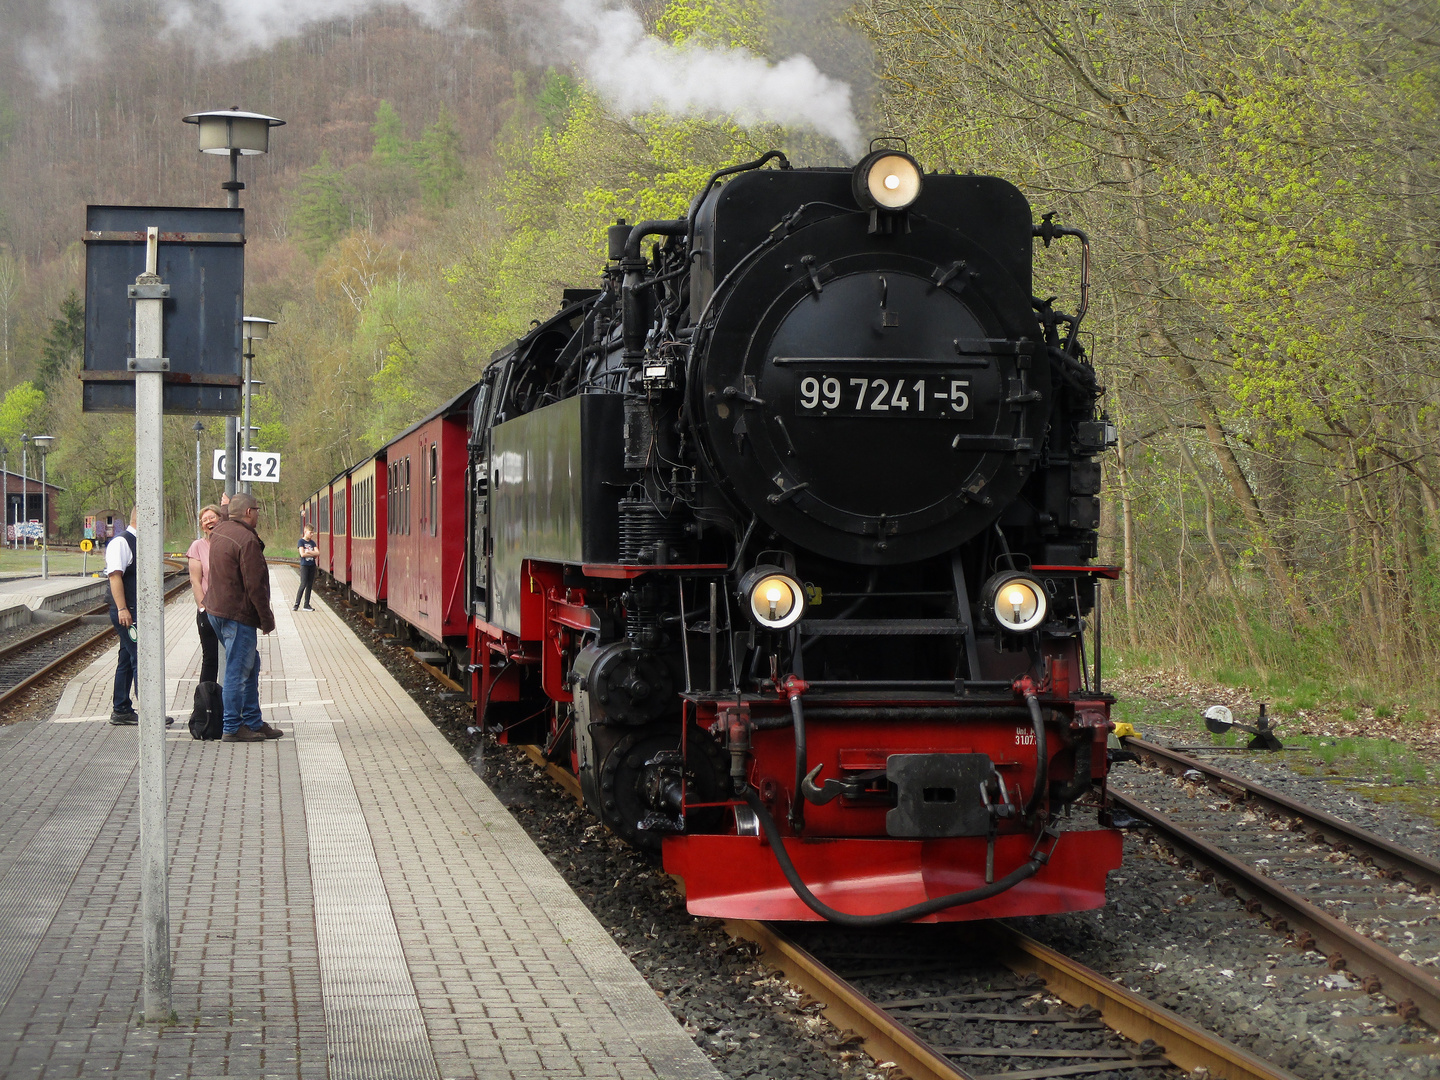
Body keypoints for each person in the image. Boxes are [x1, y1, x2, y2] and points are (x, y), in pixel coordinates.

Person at [204, 492, 281, 743]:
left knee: (250, 665)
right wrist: (266, 619)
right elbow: (255, 585)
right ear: (249, 512)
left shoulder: (221, 530)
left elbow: (228, 515)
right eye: (257, 509)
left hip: (217, 611)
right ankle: (232, 727)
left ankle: (252, 721)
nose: (258, 514)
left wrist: (226, 507)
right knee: (237, 671)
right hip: (237, 614)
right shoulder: (247, 540)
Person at [105, 507, 139, 725]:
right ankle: (151, 710)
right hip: (128, 612)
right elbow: (115, 576)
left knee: (126, 658)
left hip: (133, 611)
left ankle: (121, 708)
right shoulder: (122, 542)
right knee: (141, 658)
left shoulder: (136, 542)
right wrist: (122, 609)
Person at [187, 504, 223, 684]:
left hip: (229, 610)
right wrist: (202, 608)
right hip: (208, 610)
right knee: (211, 659)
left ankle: (230, 705)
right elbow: (195, 580)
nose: (209, 522)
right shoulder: (197, 547)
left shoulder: (228, 543)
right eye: (205, 520)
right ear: (202, 526)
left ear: (220, 519)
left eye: (212, 518)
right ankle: (205, 706)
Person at [295, 523, 318, 610]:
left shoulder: (313, 543)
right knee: (303, 584)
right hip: (304, 565)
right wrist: (312, 553)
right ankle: (296, 604)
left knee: (309, 585)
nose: (312, 534)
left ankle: (306, 605)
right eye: (310, 532)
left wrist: (308, 552)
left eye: (312, 533)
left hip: (312, 565)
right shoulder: (301, 542)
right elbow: (302, 554)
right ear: (305, 531)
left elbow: (318, 553)